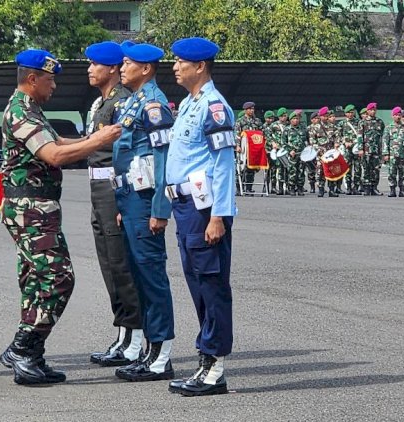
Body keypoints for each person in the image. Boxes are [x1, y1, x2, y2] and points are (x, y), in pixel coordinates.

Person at [0, 49, 122, 385]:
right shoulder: (22, 110)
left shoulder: (32, 110)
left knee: (36, 282)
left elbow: (57, 141)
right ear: (33, 79)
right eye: (50, 79)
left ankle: (30, 354)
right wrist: (97, 139)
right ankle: (23, 348)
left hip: (37, 206)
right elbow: (53, 154)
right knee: (58, 279)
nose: (54, 86)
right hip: (30, 208)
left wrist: (90, 140)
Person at [166, 37, 236, 397]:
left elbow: (224, 165)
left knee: (212, 284)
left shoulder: (214, 107)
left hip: (205, 208)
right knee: (197, 284)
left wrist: (218, 216)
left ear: (200, 66)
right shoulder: (191, 105)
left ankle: (215, 365)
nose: (175, 67)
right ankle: (206, 361)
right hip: (186, 206)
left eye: (180, 62)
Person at [111, 41, 176, 383]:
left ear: (146, 68)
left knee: (152, 277)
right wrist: (123, 204)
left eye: (128, 63)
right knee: (138, 276)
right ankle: (150, 350)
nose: (122, 68)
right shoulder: (132, 102)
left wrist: (159, 208)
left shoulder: (153, 105)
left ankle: (162, 355)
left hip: (147, 200)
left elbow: (163, 159)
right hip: (130, 199)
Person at [83, 41, 145, 368]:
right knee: (109, 263)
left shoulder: (121, 103)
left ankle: (135, 336)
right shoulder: (101, 103)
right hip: (97, 185)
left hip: (112, 185)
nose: (90, 69)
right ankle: (123, 333)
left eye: (95, 64)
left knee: (120, 262)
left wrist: (123, 198)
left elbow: (126, 154)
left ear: (111, 69)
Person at [234, 101, 263, 193]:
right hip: (243, 148)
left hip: (253, 149)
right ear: (245, 110)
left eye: (253, 109)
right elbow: (237, 134)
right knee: (241, 168)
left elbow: (262, 133)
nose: (252, 110)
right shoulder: (240, 121)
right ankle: (239, 188)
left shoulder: (257, 121)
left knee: (251, 168)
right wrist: (237, 146)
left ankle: (249, 188)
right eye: (250, 109)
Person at [382, 107, 404, 197]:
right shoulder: (388, 127)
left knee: (403, 173)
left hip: (403, 154)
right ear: (392, 116)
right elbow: (385, 141)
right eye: (396, 115)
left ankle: (402, 190)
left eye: (399, 115)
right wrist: (385, 153)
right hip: (392, 154)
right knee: (392, 173)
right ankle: (392, 190)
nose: (398, 117)